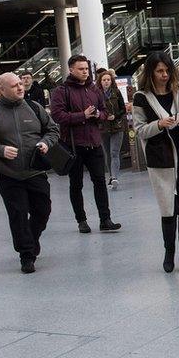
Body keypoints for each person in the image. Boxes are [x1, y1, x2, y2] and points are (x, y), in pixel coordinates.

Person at [132, 52, 179, 274]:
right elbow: (139, 130)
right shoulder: (141, 97)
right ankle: (168, 254)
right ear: (151, 73)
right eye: (159, 71)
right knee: (167, 209)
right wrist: (159, 124)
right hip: (161, 162)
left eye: (167, 70)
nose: (164, 75)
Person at [0, 72, 59, 273]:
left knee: (43, 211)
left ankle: (31, 238)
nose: (20, 88)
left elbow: (53, 130)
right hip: (7, 174)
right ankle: (26, 255)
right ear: (0, 91)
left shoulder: (35, 108)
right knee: (18, 214)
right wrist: (0, 150)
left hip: (35, 170)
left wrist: (45, 142)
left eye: (20, 83)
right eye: (14, 86)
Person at [49, 55, 122, 234]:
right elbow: (58, 116)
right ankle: (81, 220)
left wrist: (98, 115)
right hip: (74, 145)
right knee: (76, 184)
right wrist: (83, 115)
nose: (85, 72)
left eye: (86, 69)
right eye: (81, 69)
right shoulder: (62, 91)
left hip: (94, 143)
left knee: (100, 182)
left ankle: (105, 219)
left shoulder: (93, 89)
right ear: (71, 70)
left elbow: (105, 112)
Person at [98, 70, 127, 189]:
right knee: (107, 153)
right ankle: (111, 176)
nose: (106, 82)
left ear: (111, 81)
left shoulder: (116, 92)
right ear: (100, 81)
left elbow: (123, 109)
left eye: (108, 80)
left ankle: (114, 177)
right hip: (103, 127)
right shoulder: (97, 94)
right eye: (104, 80)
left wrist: (115, 116)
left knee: (114, 152)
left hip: (117, 126)